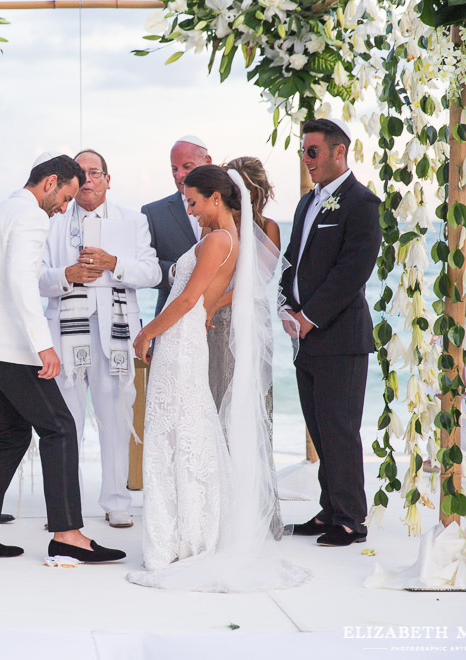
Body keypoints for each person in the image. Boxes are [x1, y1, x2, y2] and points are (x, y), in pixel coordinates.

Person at [128, 165, 308, 591]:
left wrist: (147, 330)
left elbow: (190, 297)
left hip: (178, 338)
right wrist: (198, 315)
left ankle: (187, 535)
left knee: (178, 430)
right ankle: (186, 530)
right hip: (186, 337)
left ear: (215, 198)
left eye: (193, 201)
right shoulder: (228, 239)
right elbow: (206, 301)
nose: (190, 211)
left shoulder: (218, 240)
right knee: (185, 429)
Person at [0, 153, 125, 563]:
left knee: (12, 433)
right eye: (64, 197)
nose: (64, 208)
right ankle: (68, 534)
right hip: (4, 345)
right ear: (49, 183)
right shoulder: (30, 216)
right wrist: (43, 344)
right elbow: (20, 280)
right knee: (60, 427)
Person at [39, 148, 160, 528]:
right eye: (81, 173)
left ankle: (117, 501)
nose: (88, 180)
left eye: (95, 173)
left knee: (115, 416)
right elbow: (35, 277)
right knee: (65, 421)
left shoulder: (132, 220)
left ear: (108, 179)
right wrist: (68, 274)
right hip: (64, 332)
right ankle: (64, 506)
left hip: (115, 333)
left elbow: (152, 273)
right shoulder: (54, 220)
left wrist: (114, 265)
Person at [280, 118, 381, 547]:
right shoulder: (307, 202)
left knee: (339, 427)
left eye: (313, 151)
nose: (306, 159)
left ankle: (351, 521)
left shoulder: (361, 203)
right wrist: (286, 304)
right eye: (303, 151)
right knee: (319, 428)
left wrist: (310, 317)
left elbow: (352, 271)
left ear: (340, 152)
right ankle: (330, 509)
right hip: (305, 336)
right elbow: (292, 258)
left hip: (339, 337)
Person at [207, 156, 284, 540]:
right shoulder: (218, 223)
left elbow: (257, 283)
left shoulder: (267, 227)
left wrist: (209, 303)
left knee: (251, 410)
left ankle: (255, 514)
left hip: (247, 324)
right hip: (214, 326)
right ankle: (218, 509)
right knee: (216, 407)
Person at [142, 136, 212, 318]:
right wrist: (177, 272)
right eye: (174, 169)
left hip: (220, 321)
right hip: (171, 321)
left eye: (187, 167)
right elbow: (144, 266)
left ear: (208, 161)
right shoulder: (153, 213)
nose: (179, 175)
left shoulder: (231, 209)